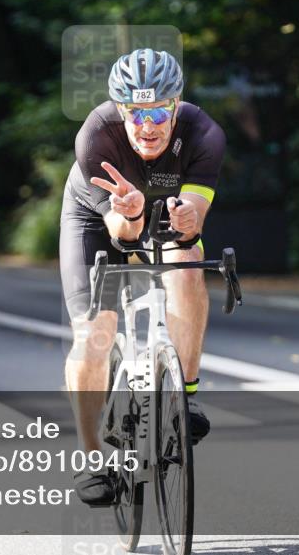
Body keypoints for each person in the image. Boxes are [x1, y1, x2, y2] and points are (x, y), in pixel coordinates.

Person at [60, 48, 226, 505]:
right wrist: (128, 212)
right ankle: (92, 455)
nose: (147, 125)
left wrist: (188, 220)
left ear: (175, 106)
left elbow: (195, 211)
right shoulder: (96, 135)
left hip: (167, 212)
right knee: (95, 333)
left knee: (187, 269)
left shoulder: (204, 134)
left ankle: (184, 394)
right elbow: (122, 234)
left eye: (157, 111)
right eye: (135, 113)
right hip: (100, 220)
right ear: (120, 110)